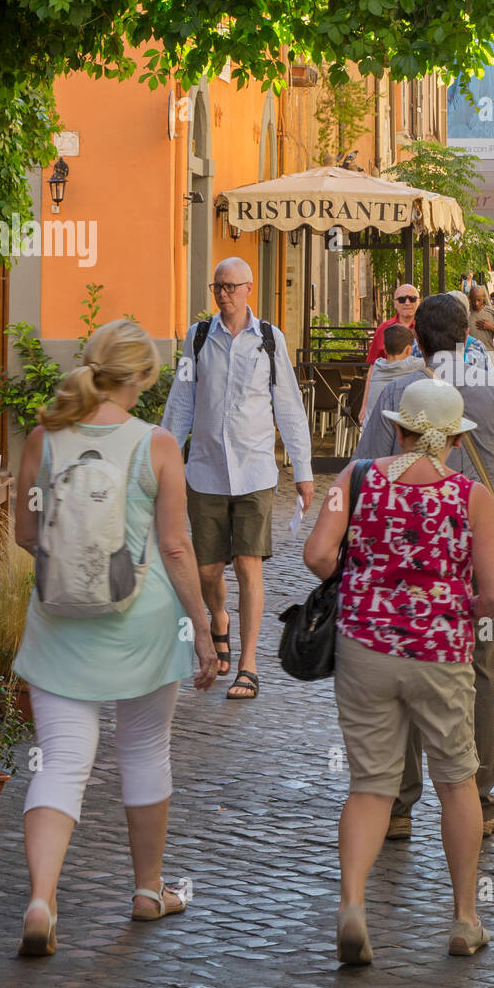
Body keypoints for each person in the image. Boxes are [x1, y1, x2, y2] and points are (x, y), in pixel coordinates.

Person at [13, 319, 220, 957]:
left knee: (63, 761)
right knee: (144, 752)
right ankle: (148, 890)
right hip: (143, 627)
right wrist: (206, 630)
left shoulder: (44, 437)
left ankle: (42, 900)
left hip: (59, 623)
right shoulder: (156, 445)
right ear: (138, 379)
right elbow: (177, 547)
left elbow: (25, 533)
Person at [305, 380, 494, 964]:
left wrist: (365, 583)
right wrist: (453, 605)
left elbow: (318, 556)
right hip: (440, 654)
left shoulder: (356, 478)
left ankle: (352, 905)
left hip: (364, 648)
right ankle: (466, 917)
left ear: (398, 430)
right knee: (456, 781)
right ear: (451, 442)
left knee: (371, 785)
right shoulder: (471, 496)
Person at [355, 293, 494, 840]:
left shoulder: (399, 393)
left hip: (408, 555)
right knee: (480, 675)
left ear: (416, 338)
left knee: (402, 666)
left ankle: (399, 803)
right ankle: (481, 799)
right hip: (478, 548)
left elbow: (366, 472)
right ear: (467, 334)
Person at [162, 257, 313, 700]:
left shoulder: (269, 339)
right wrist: (165, 460)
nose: (223, 294)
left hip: (255, 472)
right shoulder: (199, 337)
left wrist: (303, 471)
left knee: (249, 566)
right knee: (208, 571)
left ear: (249, 289)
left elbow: (287, 406)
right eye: (217, 287)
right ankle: (219, 617)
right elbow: (181, 401)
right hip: (206, 470)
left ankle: (248, 665)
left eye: (230, 287)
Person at [359, 284, 421, 415]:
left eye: (412, 298)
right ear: (395, 303)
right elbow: (373, 369)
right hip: (388, 398)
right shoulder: (383, 329)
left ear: (419, 302)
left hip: (416, 399)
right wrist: (365, 406)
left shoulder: (425, 329)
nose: (407, 302)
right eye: (402, 299)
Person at [363, 322, 423, 423]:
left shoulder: (377, 366)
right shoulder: (412, 365)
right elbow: (437, 361)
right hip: (390, 434)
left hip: (368, 431)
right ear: (409, 350)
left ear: (385, 349)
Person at [467, 284, 494, 351]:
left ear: (484, 298)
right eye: (473, 300)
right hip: (469, 354)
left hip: (488, 354)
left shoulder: (492, 313)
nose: (476, 303)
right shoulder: (465, 313)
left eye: (479, 300)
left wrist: (491, 328)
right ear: (469, 298)